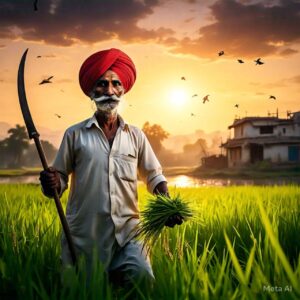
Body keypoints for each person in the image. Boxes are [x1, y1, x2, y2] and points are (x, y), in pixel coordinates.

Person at [39, 48, 183, 287]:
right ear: (91, 92)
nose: (109, 90)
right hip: (85, 236)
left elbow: (154, 176)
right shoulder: (75, 135)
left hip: (128, 234)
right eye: (101, 84)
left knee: (143, 279)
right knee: (86, 291)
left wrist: (167, 204)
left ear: (123, 90)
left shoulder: (135, 135)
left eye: (115, 84)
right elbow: (60, 179)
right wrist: (52, 183)